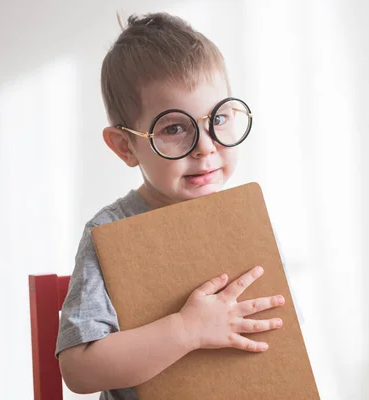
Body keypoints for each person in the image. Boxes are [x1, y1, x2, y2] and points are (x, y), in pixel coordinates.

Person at [56, 12, 286, 400]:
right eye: (174, 128)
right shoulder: (110, 232)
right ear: (125, 146)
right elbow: (78, 369)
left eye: (220, 118)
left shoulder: (245, 218)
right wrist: (187, 330)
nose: (206, 146)